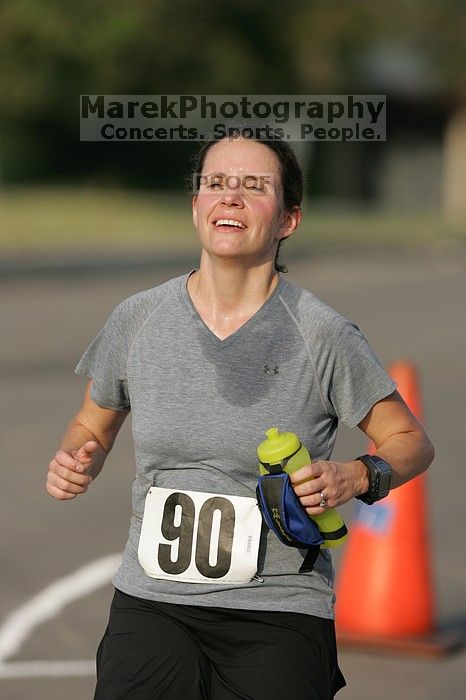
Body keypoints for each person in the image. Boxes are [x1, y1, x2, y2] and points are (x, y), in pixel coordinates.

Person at [46, 133, 434, 700]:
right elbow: (91, 426)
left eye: (255, 187)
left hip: (276, 610)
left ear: (288, 220)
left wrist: (355, 475)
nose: (231, 197)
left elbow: (410, 442)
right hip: (155, 602)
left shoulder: (322, 334)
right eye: (216, 184)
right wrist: (75, 460)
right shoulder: (138, 319)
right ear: (196, 206)